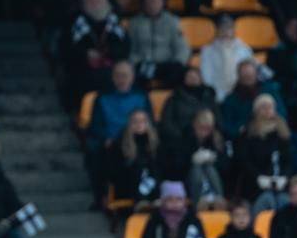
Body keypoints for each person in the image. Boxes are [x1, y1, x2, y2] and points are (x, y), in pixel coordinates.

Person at [85, 62, 153, 202]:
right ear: (113, 78)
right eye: (118, 76)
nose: (122, 79)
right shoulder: (102, 97)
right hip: (112, 140)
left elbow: (149, 121)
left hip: (136, 137)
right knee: (94, 148)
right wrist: (106, 138)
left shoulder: (141, 96)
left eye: (125, 75)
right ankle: (101, 195)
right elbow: (95, 125)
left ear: (132, 77)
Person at [61, 0, 129, 102]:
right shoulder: (75, 22)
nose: (95, 4)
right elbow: (66, 49)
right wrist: (86, 53)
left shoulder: (114, 21)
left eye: (98, 0)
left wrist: (108, 52)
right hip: (83, 71)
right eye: (90, 1)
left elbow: (125, 48)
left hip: (111, 70)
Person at [238, 94, 295, 213]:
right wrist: (259, 177)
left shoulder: (283, 132)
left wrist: (285, 177)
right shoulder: (249, 132)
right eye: (264, 107)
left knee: (284, 201)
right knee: (266, 200)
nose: (268, 110)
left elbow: (289, 159)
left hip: (281, 183)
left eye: (270, 106)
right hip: (257, 184)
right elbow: (244, 160)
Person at [170, 109, 233, 212]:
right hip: (190, 182)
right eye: (201, 128)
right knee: (196, 168)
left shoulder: (217, 139)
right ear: (194, 125)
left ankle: (218, 200)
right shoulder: (183, 138)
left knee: (209, 167)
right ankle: (199, 202)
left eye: (207, 129)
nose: (204, 132)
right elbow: (176, 168)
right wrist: (192, 160)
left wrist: (214, 158)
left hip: (214, 180)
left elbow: (227, 168)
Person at [127, 0, 190, 88]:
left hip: (167, 64)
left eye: (155, 0)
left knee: (181, 73)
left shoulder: (172, 21)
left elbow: (182, 47)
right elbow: (131, 49)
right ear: (144, 3)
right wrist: (136, 61)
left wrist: (178, 62)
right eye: (149, 0)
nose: (152, 3)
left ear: (162, 2)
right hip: (144, 64)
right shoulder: (134, 23)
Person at [220, 59, 287, 140]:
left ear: (256, 74)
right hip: (245, 139)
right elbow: (228, 128)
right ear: (239, 76)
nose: (248, 79)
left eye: (250, 76)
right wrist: (245, 127)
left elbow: (282, 112)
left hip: (273, 134)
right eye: (245, 77)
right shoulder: (231, 100)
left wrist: (272, 120)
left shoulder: (269, 90)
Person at [107, 110, 162, 205]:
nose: (139, 124)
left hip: (152, 184)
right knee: (138, 165)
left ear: (148, 123)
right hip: (128, 186)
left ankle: (155, 198)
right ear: (129, 124)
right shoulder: (119, 143)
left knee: (152, 166)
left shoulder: (156, 142)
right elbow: (114, 171)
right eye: (135, 121)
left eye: (143, 121)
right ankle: (141, 201)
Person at [199, 15, 254, 102]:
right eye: (222, 29)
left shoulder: (244, 49)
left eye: (228, 29)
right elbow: (207, 76)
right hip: (217, 95)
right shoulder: (207, 51)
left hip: (240, 94)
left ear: (233, 31)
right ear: (217, 31)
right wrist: (216, 94)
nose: (225, 32)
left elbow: (250, 72)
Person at [159, 66, 218, 142]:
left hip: (208, 139)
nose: (193, 79)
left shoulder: (210, 98)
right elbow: (167, 123)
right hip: (181, 140)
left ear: (201, 79)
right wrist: (181, 135)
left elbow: (218, 120)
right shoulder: (174, 99)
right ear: (184, 79)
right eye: (190, 76)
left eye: (196, 76)